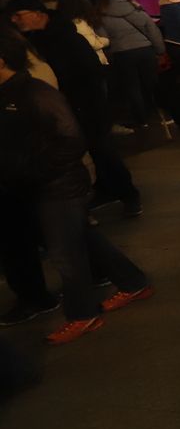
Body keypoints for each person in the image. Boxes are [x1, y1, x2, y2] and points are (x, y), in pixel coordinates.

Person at [0, 26, 152, 345]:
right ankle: (134, 282)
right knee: (84, 239)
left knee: (66, 255)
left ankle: (82, 315)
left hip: (57, 185)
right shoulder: (11, 94)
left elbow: (71, 139)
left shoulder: (34, 93)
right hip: (37, 184)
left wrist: (35, 170)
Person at [9, 0, 140, 217]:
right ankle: (106, 189)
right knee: (91, 152)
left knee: (102, 149)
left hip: (85, 105)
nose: (15, 20)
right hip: (67, 105)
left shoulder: (66, 37)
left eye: (18, 15)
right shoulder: (36, 40)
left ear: (37, 13)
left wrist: (80, 100)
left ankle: (128, 194)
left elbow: (91, 72)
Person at [97, 0, 164, 128]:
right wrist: (160, 50)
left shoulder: (101, 16)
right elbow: (153, 31)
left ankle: (142, 119)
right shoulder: (137, 10)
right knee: (151, 83)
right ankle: (160, 114)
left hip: (122, 53)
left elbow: (103, 39)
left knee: (132, 87)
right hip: (145, 50)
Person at [59, 0, 110, 67]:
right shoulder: (79, 23)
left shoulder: (66, 23)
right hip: (96, 62)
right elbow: (93, 44)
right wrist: (107, 41)